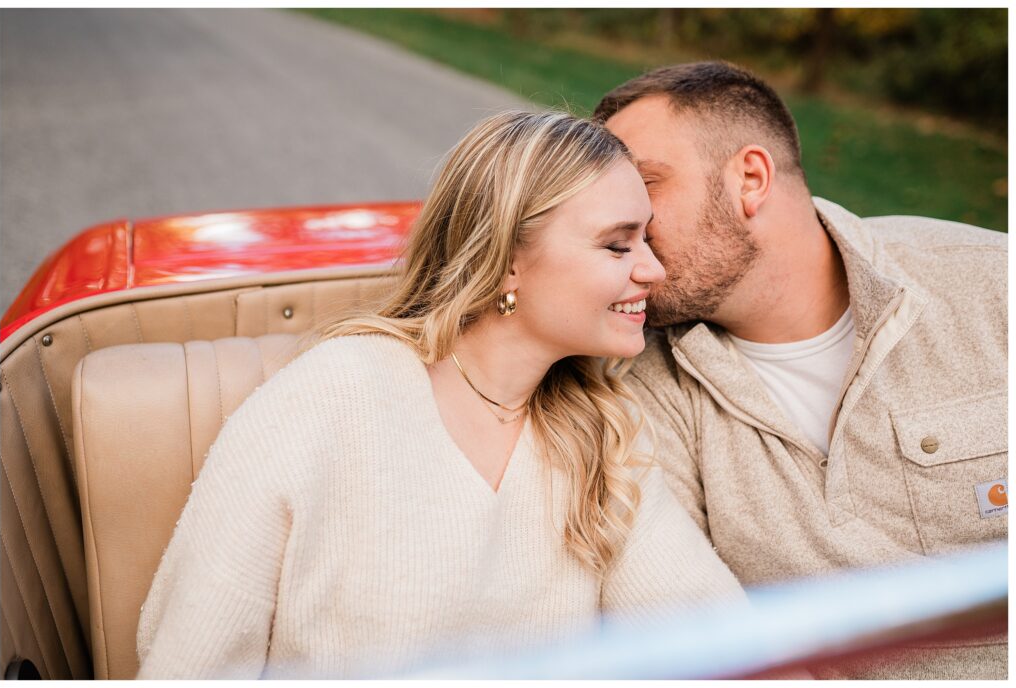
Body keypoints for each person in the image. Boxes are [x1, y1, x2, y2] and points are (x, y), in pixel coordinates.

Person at [135, 111, 747, 679]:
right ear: (507, 260)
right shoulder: (332, 397)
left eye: (647, 241)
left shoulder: (604, 431)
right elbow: (194, 659)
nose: (653, 270)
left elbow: (716, 638)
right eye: (619, 245)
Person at [594, 61, 1007, 679]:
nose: (619, 227)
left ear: (751, 179)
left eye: (646, 186)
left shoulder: (992, 291)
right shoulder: (634, 381)